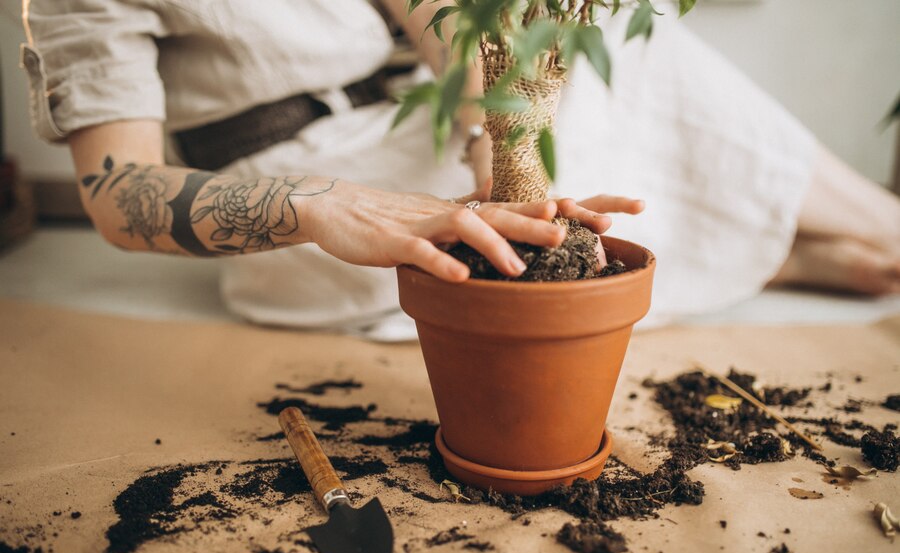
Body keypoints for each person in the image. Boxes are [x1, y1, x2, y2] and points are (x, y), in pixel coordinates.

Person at [20, 1, 899, 339]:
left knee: (604, 49)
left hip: (425, 116)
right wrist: (324, 204)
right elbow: (117, 194)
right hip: (293, 186)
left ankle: (827, 235)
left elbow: (450, 23)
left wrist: (492, 142)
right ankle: (790, 241)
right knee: (454, 259)